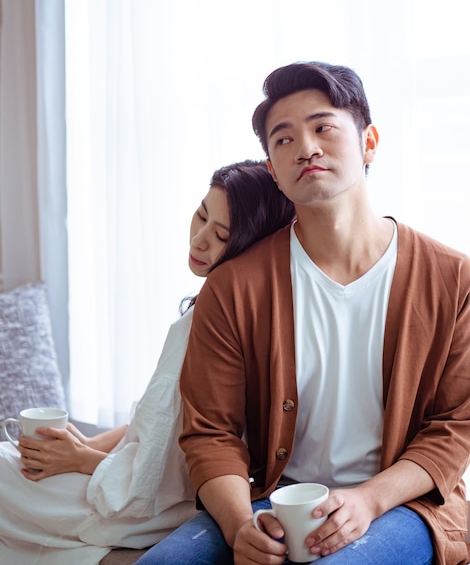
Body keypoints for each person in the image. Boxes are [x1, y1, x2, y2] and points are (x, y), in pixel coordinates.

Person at [136, 62, 470, 565]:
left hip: (401, 505)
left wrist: (369, 499)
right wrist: (238, 526)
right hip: (272, 498)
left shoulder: (453, 278)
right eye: (284, 139)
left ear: (369, 143)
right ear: (272, 167)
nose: (307, 147)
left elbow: (456, 426)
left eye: (323, 127)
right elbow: (211, 432)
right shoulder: (233, 287)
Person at [0, 159, 295, 565]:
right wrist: (84, 444)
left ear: (251, 247)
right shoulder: (226, 308)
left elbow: (160, 472)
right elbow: (151, 423)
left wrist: (81, 459)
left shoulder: (212, 320)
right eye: (202, 216)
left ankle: (103, 554)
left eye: (222, 234)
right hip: (140, 483)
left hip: (151, 507)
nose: (200, 239)